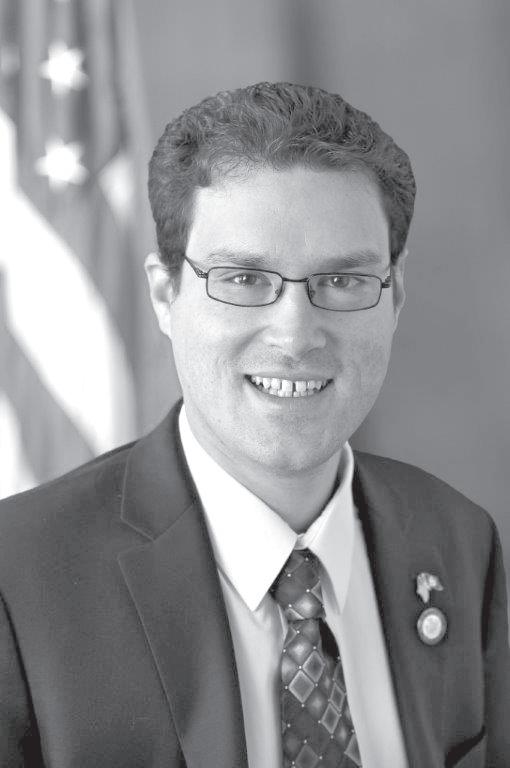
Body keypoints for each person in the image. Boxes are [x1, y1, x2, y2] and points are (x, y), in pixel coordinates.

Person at [0, 82, 508, 768]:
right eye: (243, 279)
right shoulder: (19, 579)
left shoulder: (459, 540)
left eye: (342, 281)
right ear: (165, 294)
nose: (295, 335)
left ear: (395, 297)